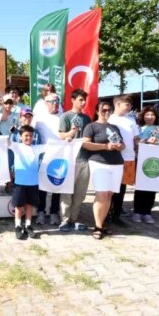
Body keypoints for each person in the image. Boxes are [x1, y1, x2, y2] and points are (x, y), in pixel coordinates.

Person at [81, 102, 125, 240]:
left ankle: (103, 222)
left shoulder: (114, 127)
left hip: (117, 163)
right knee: (101, 194)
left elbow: (123, 145)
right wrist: (105, 146)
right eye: (103, 110)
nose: (107, 112)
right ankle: (98, 226)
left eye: (109, 110)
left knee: (109, 195)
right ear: (97, 111)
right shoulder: (91, 126)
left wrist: (119, 146)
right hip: (99, 162)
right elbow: (85, 144)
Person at [57, 89, 92, 232]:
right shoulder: (65, 116)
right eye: (80, 100)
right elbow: (61, 136)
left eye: (84, 100)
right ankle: (64, 220)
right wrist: (71, 133)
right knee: (66, 192)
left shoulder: (87, 118)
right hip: (69, 159)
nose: (83, 103)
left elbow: (89, 137)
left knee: (80, 193)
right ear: (73, 100)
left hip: (84, 159)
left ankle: (74, 219)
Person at [133, 106, 159, 224]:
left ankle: (147, 212)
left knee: (152, 188)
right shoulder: (138, 129)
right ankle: (137, 212)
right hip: (141, 161)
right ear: (143, 116)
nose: (150, 117)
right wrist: (145, 141)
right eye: (147, 115)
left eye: (152, 115)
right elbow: (134, 144)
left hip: (155, 161)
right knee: (140, 187)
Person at [107, 95, 139, 228]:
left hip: (128, 158)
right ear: (118, 104)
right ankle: (106, 214)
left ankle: (116, 215)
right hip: (112, 158)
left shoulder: (131, 120)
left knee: (122, 189)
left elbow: (136, 139)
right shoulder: (109, 118)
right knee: (109, 189)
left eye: (130, 105)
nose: (130, 107)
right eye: (127, 104)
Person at [34, 92, 62, 225]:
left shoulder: (64, 117)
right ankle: (40, 211)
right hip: (44, 156)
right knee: (43, 186)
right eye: (52, 102)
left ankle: (54, 212)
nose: (55, 104)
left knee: (57, 184)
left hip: (60, 156)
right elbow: (28, 130)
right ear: (46, 104)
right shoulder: (39, 119)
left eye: (57, 101)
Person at [9, 125, 41, 240]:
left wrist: (67, 140)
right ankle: (17, 226)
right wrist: (11, 132)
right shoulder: (17, 146)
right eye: (26, 135)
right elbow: (7, 142)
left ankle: (28, 226)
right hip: (20, 182)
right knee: (19, 206)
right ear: (21, 137)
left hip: (33, 183)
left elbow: (52, 147)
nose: (29, 138)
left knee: (29, 205)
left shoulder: (36, 148)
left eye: (31, 136)